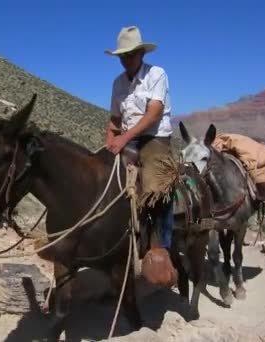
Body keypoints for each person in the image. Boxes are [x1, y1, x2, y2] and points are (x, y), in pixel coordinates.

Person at [104, 25, 177, 287]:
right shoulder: (117, 83)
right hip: (127, 136)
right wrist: (109, 140)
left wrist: (124, 137)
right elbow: (114, 118)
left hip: (155, 136)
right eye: (122, 55)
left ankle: (161, 246)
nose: (126, 59)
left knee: (158, 186)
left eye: (130, 54)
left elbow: (154, 113)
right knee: (104, 176)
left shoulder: (156, 74)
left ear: (140, 54)